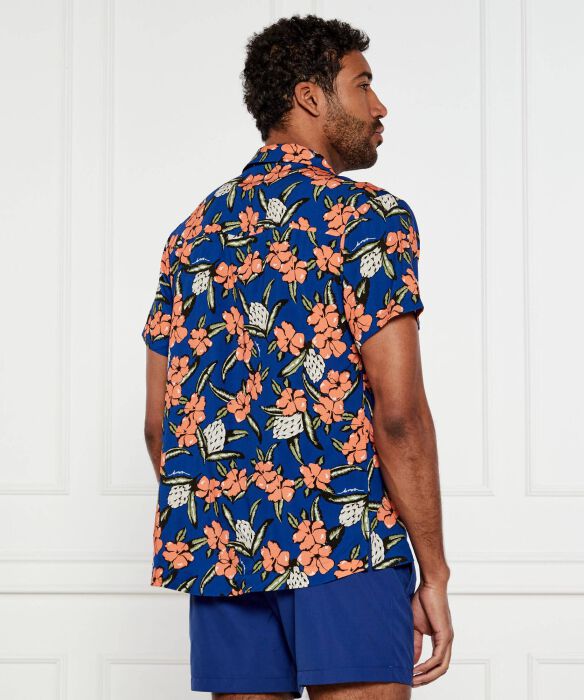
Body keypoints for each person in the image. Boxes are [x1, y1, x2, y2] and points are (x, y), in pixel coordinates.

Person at [142, 13, 453, 700]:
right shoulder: (366, 218)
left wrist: (234, 514)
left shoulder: (193, 233)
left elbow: (160, 427)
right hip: (345, 546)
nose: (379, 106)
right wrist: (433, 571)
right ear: (310, 97)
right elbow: (399, 415)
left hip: (224, 556)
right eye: (363, 85)